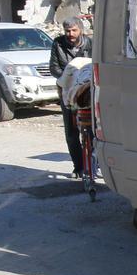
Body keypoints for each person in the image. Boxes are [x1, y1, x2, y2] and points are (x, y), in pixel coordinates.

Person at [49, 16, 93, 178]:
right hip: (67, 90)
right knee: (71, 131)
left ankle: (94, 162)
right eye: (67, 30)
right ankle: (79, 167)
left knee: (92, 128)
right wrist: (69, 77)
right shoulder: (58, 44)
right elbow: (53, 67)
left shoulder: (90, 43)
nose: (70, 33)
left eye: (74, 30)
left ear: (80, 30)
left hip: (87, 91)